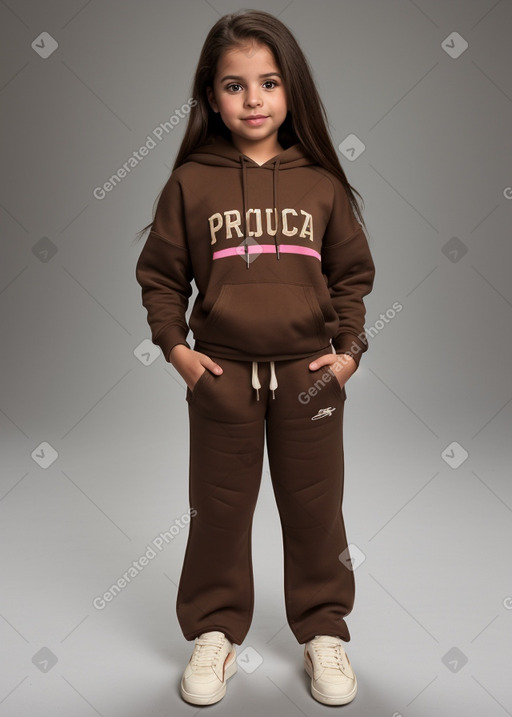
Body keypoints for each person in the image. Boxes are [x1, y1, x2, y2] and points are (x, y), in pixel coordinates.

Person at [134, 8, 376, 708]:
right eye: (234, 86)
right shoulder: (192, 183)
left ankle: (323, 632)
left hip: (311, 378)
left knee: (316, 510)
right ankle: (215, 633)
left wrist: (349, 352)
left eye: (268, 82)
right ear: (211, 96)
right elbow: (159, 277)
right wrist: (177, 350)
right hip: (221, 377)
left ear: (290, 89)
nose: (253, 99)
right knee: (217, 509)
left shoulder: (322, 184)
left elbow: (353, 276)